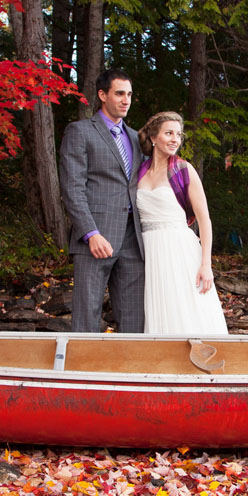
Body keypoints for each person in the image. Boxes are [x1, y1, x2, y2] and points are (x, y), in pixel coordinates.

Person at [59, 68, 146, 333]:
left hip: (133, 238)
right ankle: (81, 373)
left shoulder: (135, 138)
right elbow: (72, 187)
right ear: (102, 95)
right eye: (119, 93)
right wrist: (90, 233)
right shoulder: (80, 131)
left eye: (129, 94)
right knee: (87, 315)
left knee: (134, 319)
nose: (126, 100)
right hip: (96, 238)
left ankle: (128, 372)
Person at [135, 111, 228, 335]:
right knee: (158, 308)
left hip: (179, 250)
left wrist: (206, 264)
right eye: (169, 133)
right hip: (148, 252)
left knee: (187, 308)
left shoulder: (184, 170)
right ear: (153, 137)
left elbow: (204, 220)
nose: (175, 139)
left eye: (178, 134)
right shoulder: (140, 172)